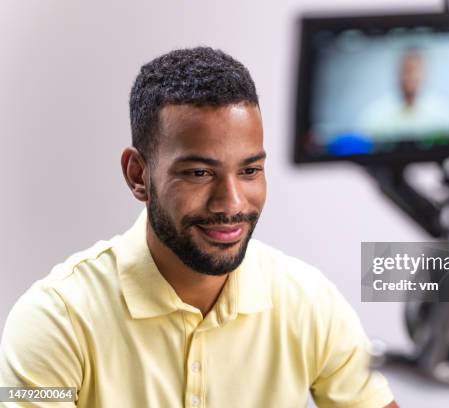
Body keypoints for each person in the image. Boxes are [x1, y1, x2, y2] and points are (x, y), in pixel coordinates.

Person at [0, 47, 397, 407]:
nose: (232, 203)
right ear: (139, 175)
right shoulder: (53, 319)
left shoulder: (309, 301)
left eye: (249, 170)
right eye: (199, 172)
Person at [358, 48, 449, 141]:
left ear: (425, 74)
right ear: (397, 73)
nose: (411, 76)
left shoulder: (443, 111)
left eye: (416, 71)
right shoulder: (376, 113)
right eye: (406, 71)